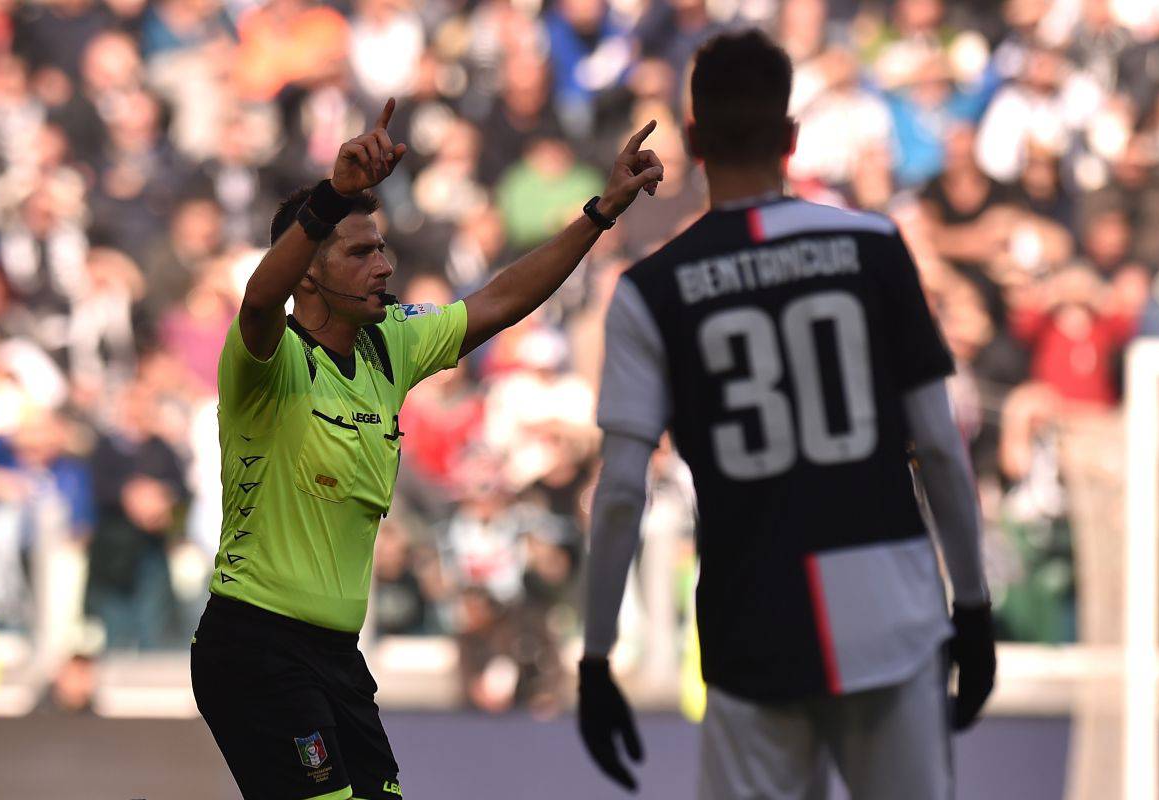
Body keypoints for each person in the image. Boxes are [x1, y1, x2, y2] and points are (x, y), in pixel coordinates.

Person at [190, 97, 663, 800]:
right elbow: (260, 299)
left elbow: (500, 300)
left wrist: (600, 214)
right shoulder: (267, 360)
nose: (383, 265)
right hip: (257, 646)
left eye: (380, 247)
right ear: (309, 273)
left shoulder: (390, 344)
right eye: (360, 251)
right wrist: (332, 195)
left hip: (335, 657)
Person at [577, 30, 995, 799]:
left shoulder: (649, 291)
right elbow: (938, 445)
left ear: (694, 138)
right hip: (892, 610)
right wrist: (971, 604)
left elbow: (622, 492)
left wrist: (597, 655)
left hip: (751, 619)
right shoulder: (874, 246)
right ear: (792, 137)